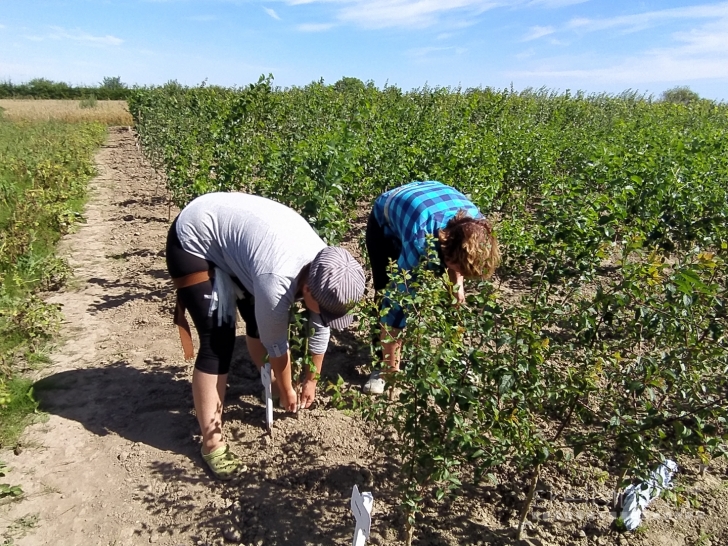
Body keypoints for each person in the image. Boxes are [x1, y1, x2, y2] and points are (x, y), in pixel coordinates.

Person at [166, 192, 365, 479]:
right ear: (307, 289)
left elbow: (320, 320)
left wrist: (311, 378)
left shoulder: (328, 268)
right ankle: (212, 444)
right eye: (321, 309)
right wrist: (287, 392)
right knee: (218, 342)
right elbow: (277, 346)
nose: (323, 316)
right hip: (194, 240)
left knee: (259, 321)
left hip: (238, 242)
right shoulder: (276, 279)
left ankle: (268, 384)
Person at [363, 180, 500, 395]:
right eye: (458, 268)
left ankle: (456, 360)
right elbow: (395, 306)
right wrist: (393, 371)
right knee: (385, 291)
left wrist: (457, 288)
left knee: (455, 296)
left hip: (432, 200)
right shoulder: (420, 242)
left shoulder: (478, 226)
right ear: (445, 252)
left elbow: (459, 268)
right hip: (387, 217)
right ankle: (382, 367)